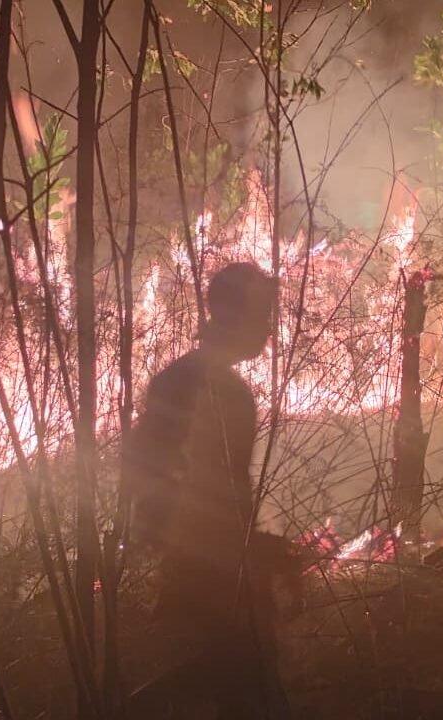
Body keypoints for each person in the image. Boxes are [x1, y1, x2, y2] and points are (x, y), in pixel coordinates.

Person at [124, 262, 295, 719]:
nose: (270, 327)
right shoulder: (205, 387)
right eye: (262, 313)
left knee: (233, 682)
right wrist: (232, 554)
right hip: (213, 575)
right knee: (239, 685)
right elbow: (171, 480)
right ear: (232, 315)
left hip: (216, 568)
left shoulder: (198, 381)